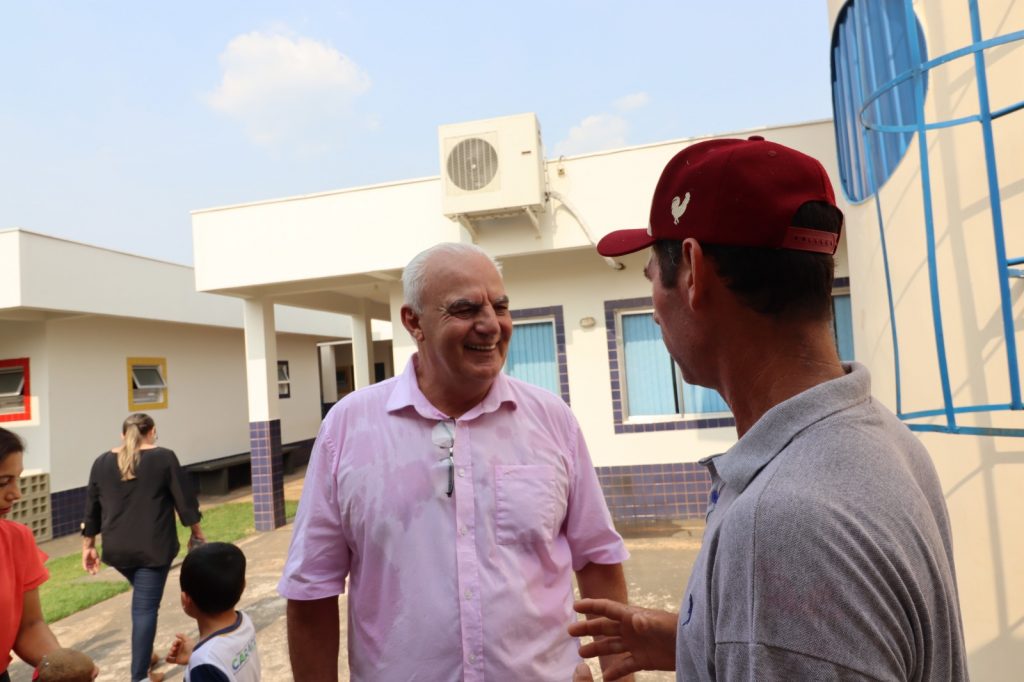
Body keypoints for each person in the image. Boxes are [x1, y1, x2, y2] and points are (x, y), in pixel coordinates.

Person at [570, 136, 968, 680]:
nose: (655, 312)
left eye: (650, 278)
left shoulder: (779, 526)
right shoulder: (885, 440)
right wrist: (710, 641)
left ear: (692, 271)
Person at [280, 242, 631, 681]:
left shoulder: (551, 420)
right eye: (465, 309)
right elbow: (311, 589)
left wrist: (621, 677)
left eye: (500, 306)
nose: (490, 325)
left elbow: (597, 559)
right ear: (414, 322)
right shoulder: (347, 429)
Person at [81, 413, 206, 682]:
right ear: (152, 431)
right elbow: (183, 501)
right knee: (145, 609)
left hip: (117, 551)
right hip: (153, 551)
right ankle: (140, 676)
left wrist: (88, 545)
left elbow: (91, 507)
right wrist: (197, 533)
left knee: (142, 600)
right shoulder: (163, 458)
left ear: (123, 435)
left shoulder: (101, 462)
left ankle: (144, 652)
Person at [1, 428, 91, 682]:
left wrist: (63, 665)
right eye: (2, 482)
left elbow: (28, 625)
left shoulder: (16, 539)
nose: (16, 493)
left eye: (16, 479)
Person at [164, 542, 260, 682]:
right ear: (243, 585)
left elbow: (213, 664)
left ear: (185, 600)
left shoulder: (205, 664)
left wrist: (199, 659)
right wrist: (196, 653)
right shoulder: (245, 622)